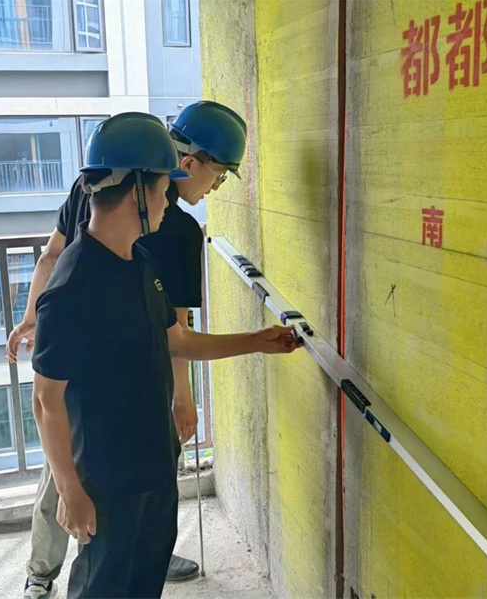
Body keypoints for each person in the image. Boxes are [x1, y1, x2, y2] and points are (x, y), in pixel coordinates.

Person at [25, 112, 298, 598]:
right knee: (104, 586)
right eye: (162, 188)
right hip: (107, 481)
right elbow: (46, 401)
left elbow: (178, 341)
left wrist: (257, 340)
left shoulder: (140, 263)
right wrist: (68, 489)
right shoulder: (71, 288)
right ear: (137, 191)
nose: (168, 201)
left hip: (152, 465)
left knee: (143, 581)